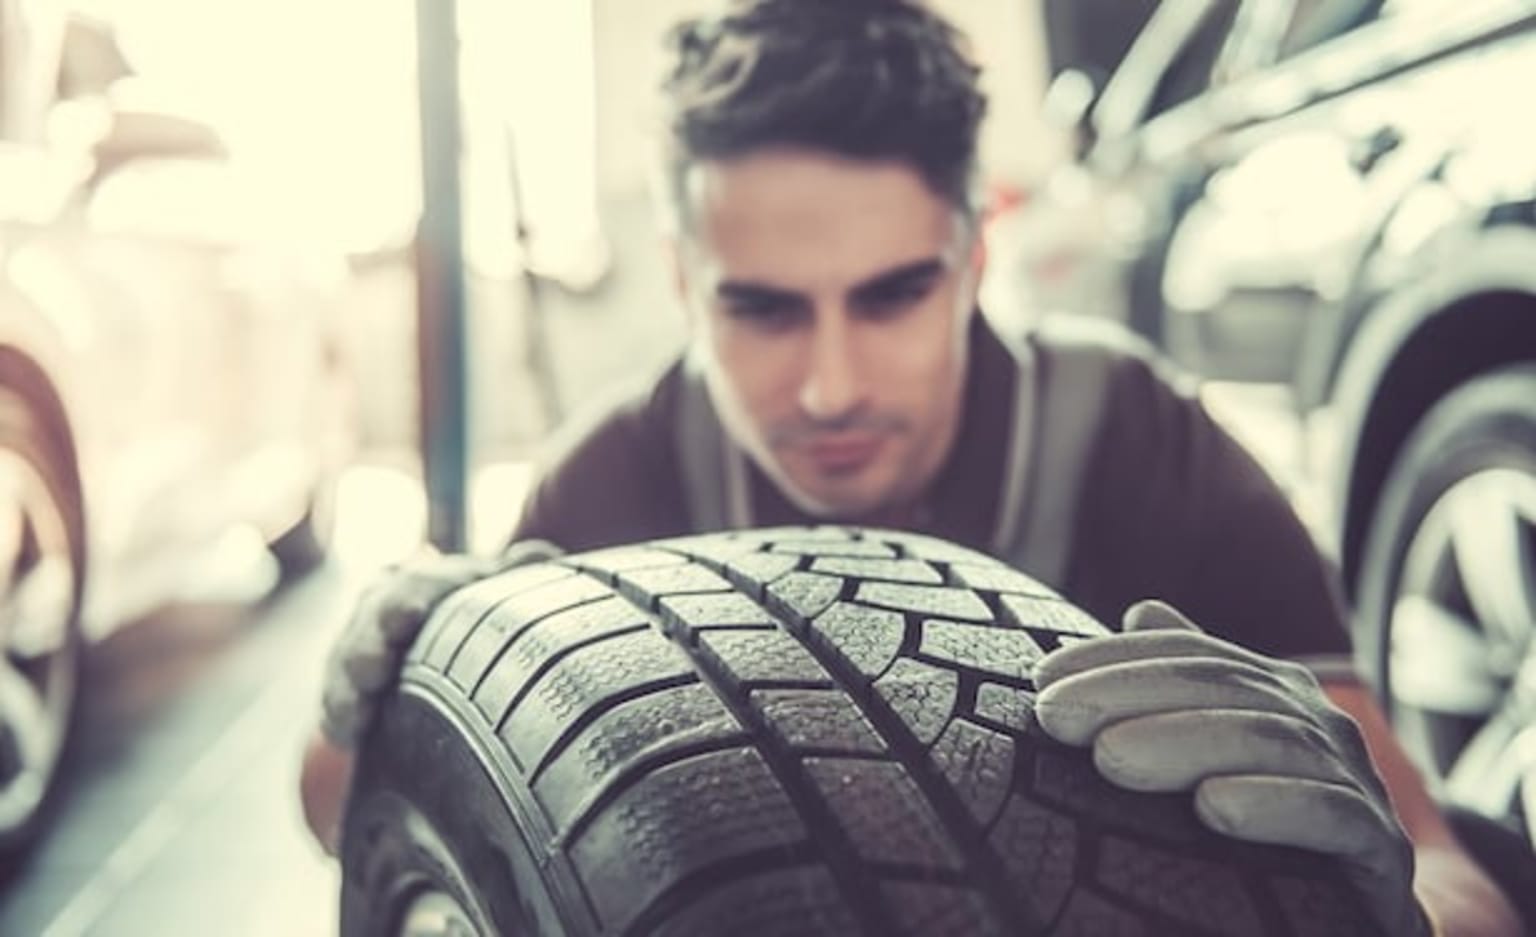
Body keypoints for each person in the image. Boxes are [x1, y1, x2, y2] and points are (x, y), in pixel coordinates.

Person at [301, 1, 1522, 934]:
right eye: (764, 311)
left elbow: (1456, 871)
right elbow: (369, 821)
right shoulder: (617, 480)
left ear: (974, 249)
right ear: (683, 283)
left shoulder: (1135, 439)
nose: (830, 385)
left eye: (890, 296)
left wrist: (1383, 900)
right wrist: (374, 713)